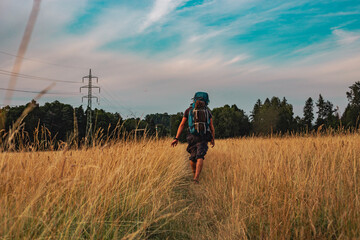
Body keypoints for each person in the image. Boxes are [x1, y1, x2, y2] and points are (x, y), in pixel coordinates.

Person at [171, 92, 215, 183]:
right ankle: (196, 178)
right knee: (200, 156)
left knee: (193, 157)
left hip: (191, 136)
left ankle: (194, 174)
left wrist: (176, 138)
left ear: (194, 99)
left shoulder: (189, 110)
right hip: (203, 136)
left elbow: (182, 124)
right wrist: (212, 139)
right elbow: (211, 127)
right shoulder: (207, 111)